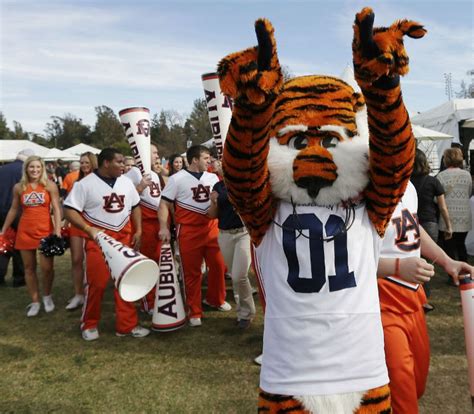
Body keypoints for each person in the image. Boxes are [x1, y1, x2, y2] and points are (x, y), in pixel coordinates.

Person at [377, 181, 474, 414]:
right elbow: (345, 260)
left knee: (416, 383)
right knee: (401, 389)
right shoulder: (356, 188)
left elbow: (412, 226)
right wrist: (397, 266)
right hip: (379, 300)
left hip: (412, 296)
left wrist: (446, 261)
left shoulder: (408, 186)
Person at [64, 148, 149, 341]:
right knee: (97, 284)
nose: (123, 165)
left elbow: (135, 205)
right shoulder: (85, 184)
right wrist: (88, 229)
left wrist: (139, 230)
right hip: (99, 240)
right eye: (119, 162)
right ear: (105, 163)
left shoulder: (126, 182)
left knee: (126, 282)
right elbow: (69, 210)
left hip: (125, 238)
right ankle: (89, 323)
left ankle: (126, 325)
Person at [158, 145, 229, 327]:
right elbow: (164, 204)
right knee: (191, 272)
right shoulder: (176, 179)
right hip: (188, 230)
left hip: (211, 227)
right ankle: (194, 310)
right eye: (206, 158)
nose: (209, 161)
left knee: (219, 265)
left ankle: (216, 299)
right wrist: (164, 227)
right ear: (195, 159)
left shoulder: (213, 177)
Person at [0, 156, 62, 316]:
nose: (35, 170)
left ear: (42, 169)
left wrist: (57, 231)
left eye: (38, 167)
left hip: (45, 232)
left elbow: (56, 208)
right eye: (31, 167)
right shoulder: (19, 187)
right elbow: (14, 209)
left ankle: (47, 296)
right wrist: (4, 229)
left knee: (47, 268)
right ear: (26, 169)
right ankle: (35, 301)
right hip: (25, 232)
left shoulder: (50, 186)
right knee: (29, 268)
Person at [208, 159, 256, 328]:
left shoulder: (243, 184)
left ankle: (247, 313)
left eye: (223, 164)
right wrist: (213, 201)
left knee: (238, 276)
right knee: (237, 277)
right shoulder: (218, 188)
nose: (220, 166)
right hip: (225, 234)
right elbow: (212, 215)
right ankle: (242, 313)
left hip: (243, 233)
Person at [410, 148, 452, 305]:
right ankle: (424, 295)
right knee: (426, 263)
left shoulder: (407, 183)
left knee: (414, 259)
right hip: (429, 222)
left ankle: (419, 294)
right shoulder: (433, 181)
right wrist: (448, 226)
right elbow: (442, 207)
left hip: (409, 224)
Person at [125, 143, 163, 313]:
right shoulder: (132, 172)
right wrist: (140, 186)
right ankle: (147, 302)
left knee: (157, 262)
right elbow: (124, 198)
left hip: (157, 224)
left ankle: (156, 297)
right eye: (154, 153)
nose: (157, 156)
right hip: (144, 224)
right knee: (146, 263)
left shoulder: (155, 174)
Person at [64, 152, 98, 310]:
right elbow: (70, 205)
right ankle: (78, 294)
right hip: (77, 225)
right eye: (81, 162)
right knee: (76, 259)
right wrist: (66, 221)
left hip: (93, 224)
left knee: (93, 261)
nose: (84, 165)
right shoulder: (75, 180)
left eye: (86, 162)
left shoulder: (99, 180)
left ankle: (93, 292)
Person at [0, 149, 34, 287]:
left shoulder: (2, 169)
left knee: (3, 243)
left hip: (0, 211)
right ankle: (19, 278)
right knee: (21, 245)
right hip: (18, 212)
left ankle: (0, 275)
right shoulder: (25, 171)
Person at [437, 148, 472, 263]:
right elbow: (469, 192)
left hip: (447, 216)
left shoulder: (441, 176)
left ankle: (453, 275)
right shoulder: (467, 175)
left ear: (446, 159)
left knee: (449, 246)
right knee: (461, 244)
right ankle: (465, 273)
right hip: (464, 216)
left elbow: (436, 199)